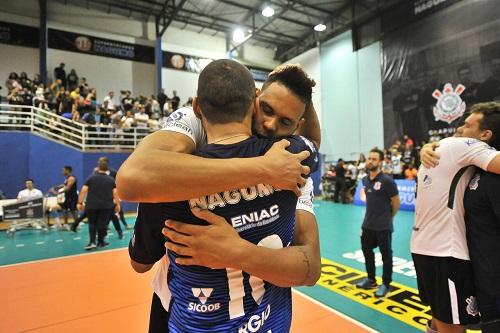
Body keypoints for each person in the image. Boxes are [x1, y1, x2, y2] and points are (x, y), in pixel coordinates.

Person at [119, 63, 321, 332]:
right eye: (267, 110)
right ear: (255, 100)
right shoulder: (288, 160)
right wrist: (263, 169)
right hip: (198, 305)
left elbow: (139, 262)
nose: (271, 125)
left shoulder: (292, 162)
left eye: (285, 122)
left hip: (199, 314)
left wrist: (237, 252)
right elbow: (132, 177)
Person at [411, 103, 500, 333]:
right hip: (445, 252)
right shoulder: (461, 146)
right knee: (450, 323)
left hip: (425, 248)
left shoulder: (444, 148)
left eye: (467, 124)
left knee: (438, 318)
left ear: (485, 135)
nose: (459, 127)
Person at [356, 148, 400, 298]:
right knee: (367, 252)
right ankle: (371, 279)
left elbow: (396, 202)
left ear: (380, 162)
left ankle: (386, 284)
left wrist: (388, 218)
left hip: (383, 226)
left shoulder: (387, 181)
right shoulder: (365, 179)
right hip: (367, 224)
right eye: (369, 158)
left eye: (374, 159)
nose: (370, 161)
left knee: (386, 256)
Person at [77, 158, 120, 250]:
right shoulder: (111, 179)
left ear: (97, 168)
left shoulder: (91, 178)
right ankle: (101, 241)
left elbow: (83, 190)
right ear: (107, 169)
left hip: (91, 205)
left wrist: (80, 202)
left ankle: (92, 242)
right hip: (106, 206)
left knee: (92, 223)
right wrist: (117, 204)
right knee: (102, 224)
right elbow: (115, 193)